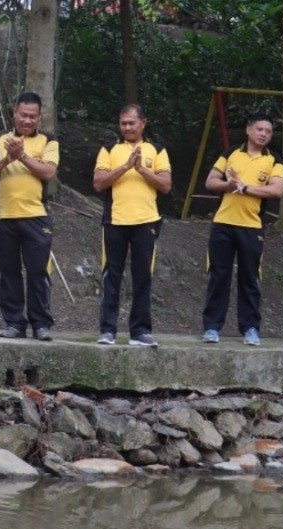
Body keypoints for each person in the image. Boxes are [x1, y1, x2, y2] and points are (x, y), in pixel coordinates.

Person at [199, 113, 283, 346]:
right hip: (223, 223)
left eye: (268, 131)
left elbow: (276, 190)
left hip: (252, 226)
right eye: (259, 129)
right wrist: (229, 185)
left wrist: (246, 188)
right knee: (219, 276)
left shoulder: (274, 160)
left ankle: (250, 328)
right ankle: (212, 327)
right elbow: (210, 181)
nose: (264, 134)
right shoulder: (230, 153)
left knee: (250, 278)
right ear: (248, 130)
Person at [92, 103, 171, 347]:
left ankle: (140, 331)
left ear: (143, 123)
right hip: (115, 220)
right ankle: (108, 330)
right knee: (111, 276)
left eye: (132, 123)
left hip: (146, 221)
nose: (127, 127)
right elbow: (99, 183)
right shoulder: (109, 149)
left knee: (142, 277)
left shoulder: (157, 150)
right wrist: (126, 166)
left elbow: (165, 185)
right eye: (123, 123)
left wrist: (140, 169)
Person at [0, 91, 59, 341]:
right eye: (23, 115)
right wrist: (8, 158)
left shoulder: (49, 141)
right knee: (8, 271)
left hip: (36, 215)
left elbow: (48, 173)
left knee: (37, 271)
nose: (27, 121)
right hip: (4, 214)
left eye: (32, 116)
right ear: (14, 113)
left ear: (40, 117)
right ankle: (14, 323)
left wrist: (23, 156)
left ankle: (41, 323)